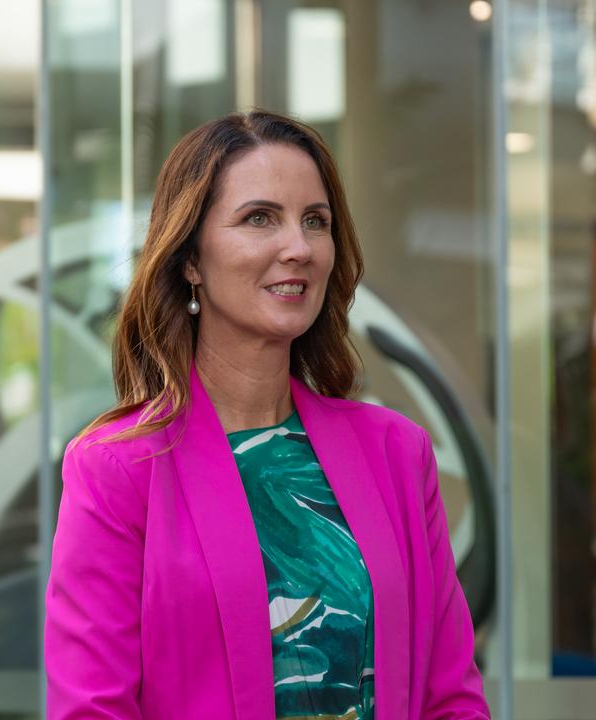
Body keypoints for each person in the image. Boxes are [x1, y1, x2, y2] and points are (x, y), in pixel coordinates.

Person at [44, 111, 489, 719]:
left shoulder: (397, 453)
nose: (298, 248)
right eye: (260, 219)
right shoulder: (118, 470)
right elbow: (92, 709)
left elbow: (450, 697)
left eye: (316, 221)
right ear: (191, 260)